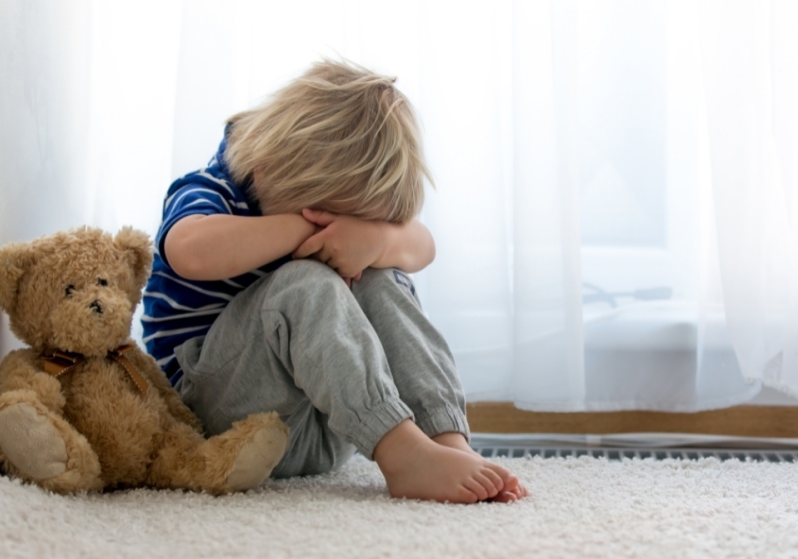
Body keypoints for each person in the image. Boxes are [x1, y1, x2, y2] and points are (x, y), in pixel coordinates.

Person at [142, 60, 526, 503]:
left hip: (327, 425)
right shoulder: (210, 189)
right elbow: (189, 250)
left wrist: (374, 240)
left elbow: (424, 247)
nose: (332, 234)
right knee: (303, 283)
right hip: (218, 421)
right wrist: (303, 231)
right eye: (324, 217)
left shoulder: (310, 199)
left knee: (381, 276)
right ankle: (402, 454)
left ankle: (443, 438)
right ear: (268, 168)